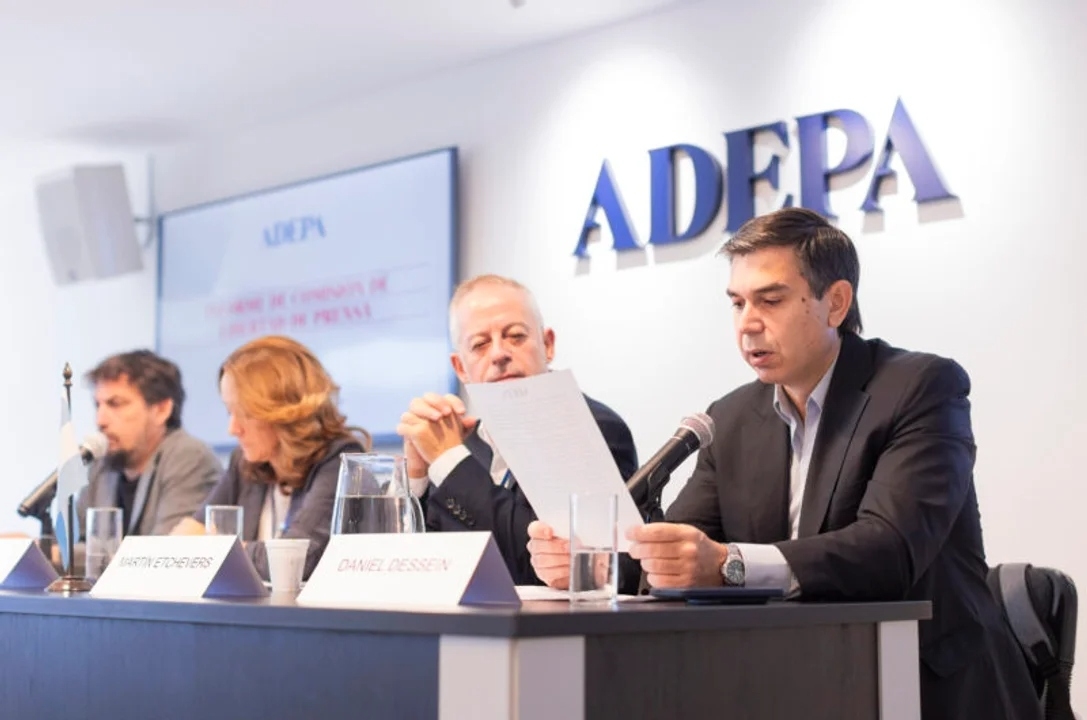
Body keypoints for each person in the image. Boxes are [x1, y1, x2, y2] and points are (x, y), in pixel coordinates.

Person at [527, 208, 1040, 720]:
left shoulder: (920, 388)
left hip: (925, 687)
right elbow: (685, 544)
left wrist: (727, 565)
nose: (747, 324)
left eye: (770, 301)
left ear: (835, 303)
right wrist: (596, 565)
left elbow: (888, 550)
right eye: (737, 303)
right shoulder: (730, 418)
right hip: (792, 680)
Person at [396, 274, 639, 585]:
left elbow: (537, 567)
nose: (499, 354)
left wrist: (448, 460)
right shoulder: (466, 445)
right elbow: (409, 571)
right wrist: (415, 477)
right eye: (480, 344)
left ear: (547, 345)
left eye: (515, 336)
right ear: (460, 368)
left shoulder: (592, 428)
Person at [171, 336, 369, 581]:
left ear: (286, 411)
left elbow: (296, 560)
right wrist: (223, 552)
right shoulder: (245, 461)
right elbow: (184, 543)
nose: (232, 429)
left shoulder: (341, 461)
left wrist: (216, 551)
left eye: (245, 413)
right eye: (229, 411)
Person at [77, 350, 221, 540]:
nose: (100, 420)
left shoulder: (190, 458)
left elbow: (165, 549)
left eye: (116, 404)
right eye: (98, 405)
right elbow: (76, 544)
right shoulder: (101, 464)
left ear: (161, 410)